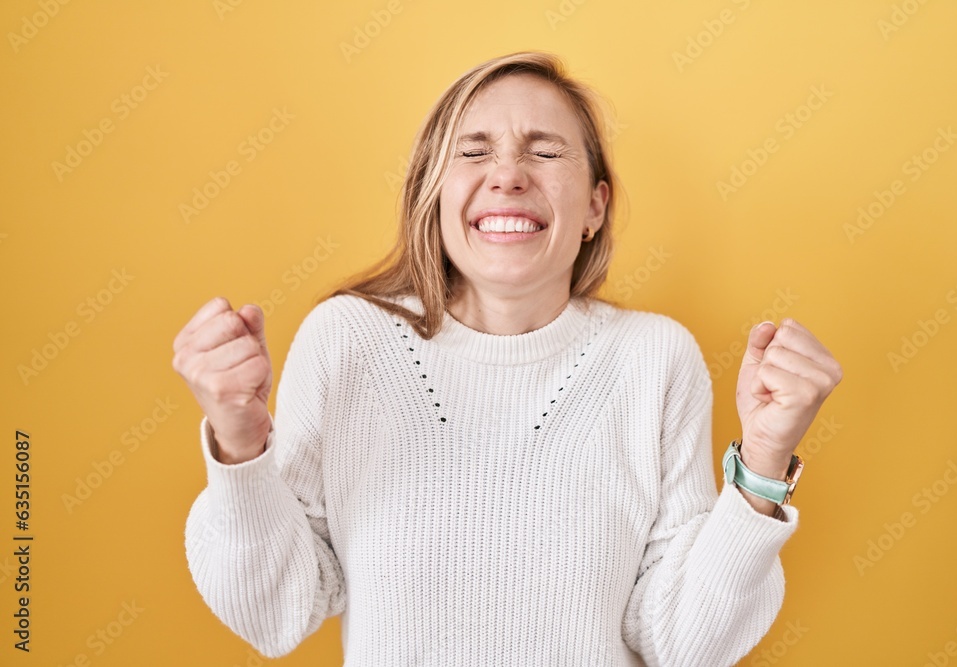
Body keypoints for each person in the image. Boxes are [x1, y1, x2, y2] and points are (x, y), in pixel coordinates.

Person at [173, 51, 842, 666]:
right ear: (433, 193)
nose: (508, 176)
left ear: (594, 207)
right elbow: (274, 614)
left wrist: (763, 462)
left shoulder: (654, 359)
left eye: (544, 152)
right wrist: (238, 444)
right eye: (474, 152)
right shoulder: (348, 340)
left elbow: (683, 642)